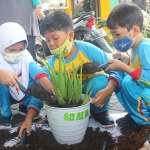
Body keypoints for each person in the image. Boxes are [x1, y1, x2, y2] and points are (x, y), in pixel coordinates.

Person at [40, 10, 115, 128]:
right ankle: (61, 111)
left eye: (55, 38)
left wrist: (110, 88)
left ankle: (99, 112)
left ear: (70, 35)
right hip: (69, 96)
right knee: (51, 80)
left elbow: (113, 66)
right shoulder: (53, 61)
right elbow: (41, 78)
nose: (51, 44)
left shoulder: (88, 49)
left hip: (90, 86)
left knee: (101, 82)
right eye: (48, 40)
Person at [91, 2, 150, 134]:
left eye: (117, 34)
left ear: (134, 30)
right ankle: (135, 116)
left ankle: (144, 122)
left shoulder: (145, 47)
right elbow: (137, 67)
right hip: (145, 94)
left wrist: (123, 66)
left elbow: (148, 78)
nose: (114, 39)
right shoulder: (136, 47)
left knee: (128, 82)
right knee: (123, 76)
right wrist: (125, 60)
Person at [0, 22, 54, 138]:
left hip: (22, 91)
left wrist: (51, 88)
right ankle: (4, 115)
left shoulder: (25, 56)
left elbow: (38, 74)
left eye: (21, 49)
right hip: (5, 95)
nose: (17, 54)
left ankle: (26, 106)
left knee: (37, 82)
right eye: (11, 50)